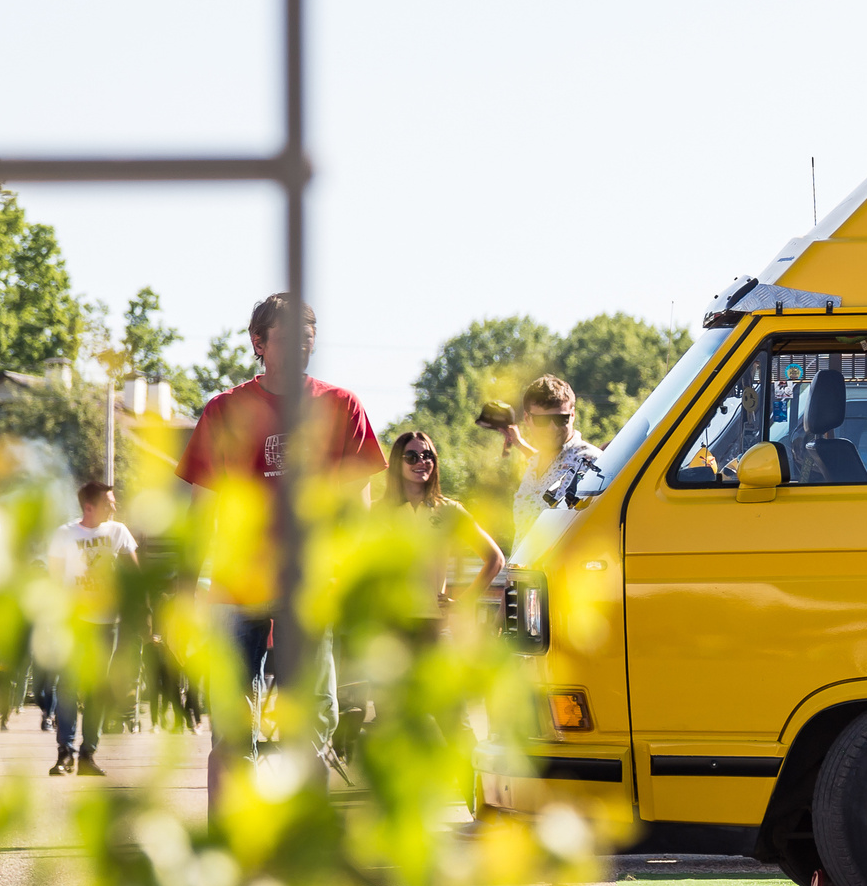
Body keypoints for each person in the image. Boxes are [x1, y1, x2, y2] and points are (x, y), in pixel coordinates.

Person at [177, 295, 385, 798]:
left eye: (309, 338)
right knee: (231, 727)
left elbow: (360, 511)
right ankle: (228, 846)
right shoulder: (225, 410)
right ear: (259, 343)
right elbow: (200, 511)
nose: (302, 347)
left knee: (310, 723)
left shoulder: (341, 407)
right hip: (236, 585)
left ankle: (301, 851)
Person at [44, 480, 138, 776]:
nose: (114, 506)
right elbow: (53, 581)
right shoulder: (64, 534)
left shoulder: (118, 532)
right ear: (89, 507)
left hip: (107, 623)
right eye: (109, 502)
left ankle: (88, 754)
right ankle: (65, 753)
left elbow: (134, 573)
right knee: (69, 687)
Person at [385, 430, 505, 611]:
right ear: (396, 462)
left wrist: (463, 603)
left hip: (431, 623)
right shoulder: (378, 510)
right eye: (411, 456)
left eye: (427, 455)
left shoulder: (450, 510)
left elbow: (495, 559)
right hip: (385, 623)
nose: (421, 462)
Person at [496, 375, 603, 543]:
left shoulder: (592, 463)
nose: (552, 428)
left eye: (561, 419)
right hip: (523, 567)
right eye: (543, 420)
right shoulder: (533, 464)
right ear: (527, 419)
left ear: (573, 415)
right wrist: (519, 443)